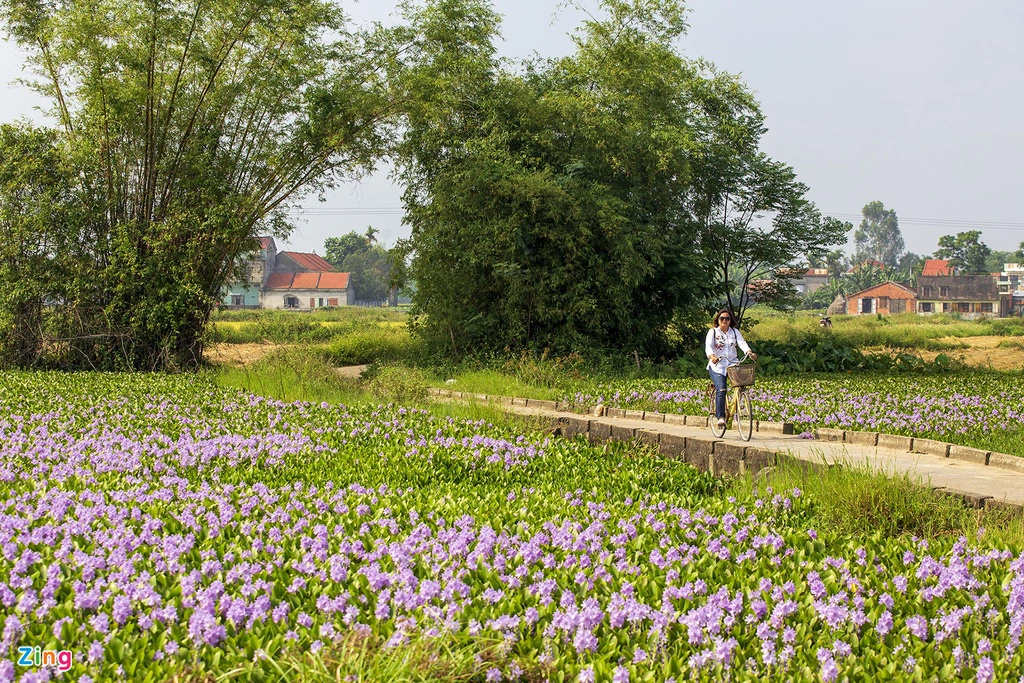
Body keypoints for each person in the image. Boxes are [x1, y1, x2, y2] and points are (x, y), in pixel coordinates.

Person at [705, 309, 757, 428]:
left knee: (741, 385)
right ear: (718, 320)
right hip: (717, 365)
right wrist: (712, 356)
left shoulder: (734, 332)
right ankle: (720, 417)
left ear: (730, 320)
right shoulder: (713, 332)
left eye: (727, 318)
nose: (724, 321)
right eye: (722, 318)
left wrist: (749, 352)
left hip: (732, 363)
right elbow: (708, 347)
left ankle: (737, 405)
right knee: (722, 389)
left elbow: (742, 343)